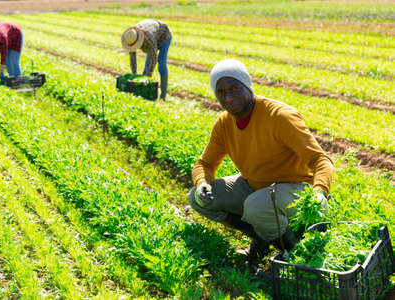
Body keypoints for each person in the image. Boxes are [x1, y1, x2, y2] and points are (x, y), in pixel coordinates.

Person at [188, 59, 333, 263]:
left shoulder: (279, 117)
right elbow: (205, 164)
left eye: (235, 89)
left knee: (256, 206)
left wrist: (319, 193)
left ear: (248, 86)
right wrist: (202, 183)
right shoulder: (224, 124)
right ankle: (261, 237)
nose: (229, 97)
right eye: (221, 92)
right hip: (255, 186)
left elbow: (321, 160)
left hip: (296, 187)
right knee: (197, 197)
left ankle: (296, 254)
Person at [121, 19, 172, 100]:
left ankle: (163, 95)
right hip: (153, 34)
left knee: (161, 62)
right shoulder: (131, 37)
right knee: (147, 64)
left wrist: (147, 77)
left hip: (164, 36)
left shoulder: (149, 37)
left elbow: (153, 56)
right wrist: (134, 75)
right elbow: (132, 58)